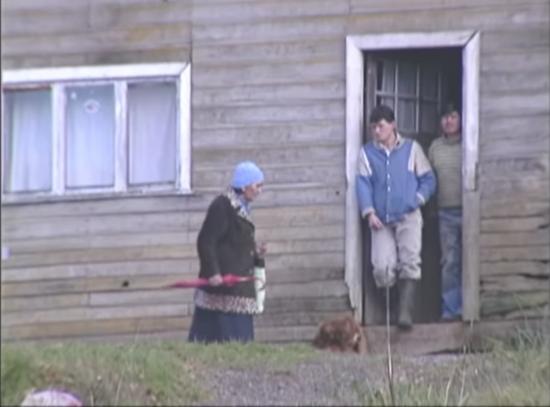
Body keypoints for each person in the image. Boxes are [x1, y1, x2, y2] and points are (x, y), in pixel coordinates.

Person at [356, 105, 436, 330]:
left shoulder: (412, 150)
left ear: (393, 126)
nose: (376, 131)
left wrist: (417, 199)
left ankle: (405, 314)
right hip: (380, 219)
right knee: (381, 267)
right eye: (373, 127)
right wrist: (369, 212)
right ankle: (390, 309)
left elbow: (429, 179)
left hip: (408, 216)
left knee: (410, 261)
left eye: (380, 126)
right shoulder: (367, 153)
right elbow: (362, 184)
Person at [188, 161, 266, 343]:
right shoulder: (222, 206)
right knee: (216, 340)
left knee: (240, 344)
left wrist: (256, 254)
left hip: (238, 290)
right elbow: (206, 241)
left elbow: (233, 244)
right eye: (257, 185)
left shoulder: (243, 208)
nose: (260, 190)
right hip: (221, 292)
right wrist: (213, 272)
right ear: (245, 186)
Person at [428, 103, 463, 321]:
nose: (448, 121)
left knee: (472, 260)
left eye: (453, 116)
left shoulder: (470, 143)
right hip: (446, 213)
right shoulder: (435, 147)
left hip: (470, 211)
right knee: (450, 262)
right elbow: (430, 179)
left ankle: (469, 307)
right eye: (444, 117)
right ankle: (451, 311)